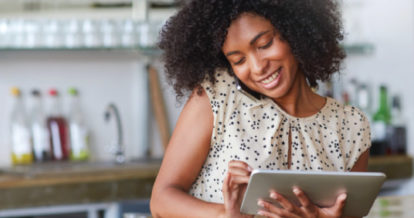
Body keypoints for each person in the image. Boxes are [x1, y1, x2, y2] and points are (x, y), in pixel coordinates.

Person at [150, 0, 371, 217]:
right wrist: (223, 215)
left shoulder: (351, 126)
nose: (258, 67)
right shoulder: (218, 96)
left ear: (295, 31)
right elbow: (161, 200)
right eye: (238, 60)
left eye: (265, 44)